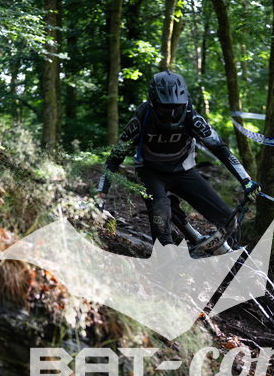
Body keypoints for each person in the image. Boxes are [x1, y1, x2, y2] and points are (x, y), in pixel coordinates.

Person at [96, 70, 260, 246]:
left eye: (176, 109)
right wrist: (100, 198)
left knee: (228, 220)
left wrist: (246, 181)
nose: (171, 116)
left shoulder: (192, 117)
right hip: (150, 173)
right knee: (160, 219)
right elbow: (114, 159)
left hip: (184, 171)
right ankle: (167, 254)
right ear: (153, 104)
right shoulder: (141, 119)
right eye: (165, 110)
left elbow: (219, 148)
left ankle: (231, 256)